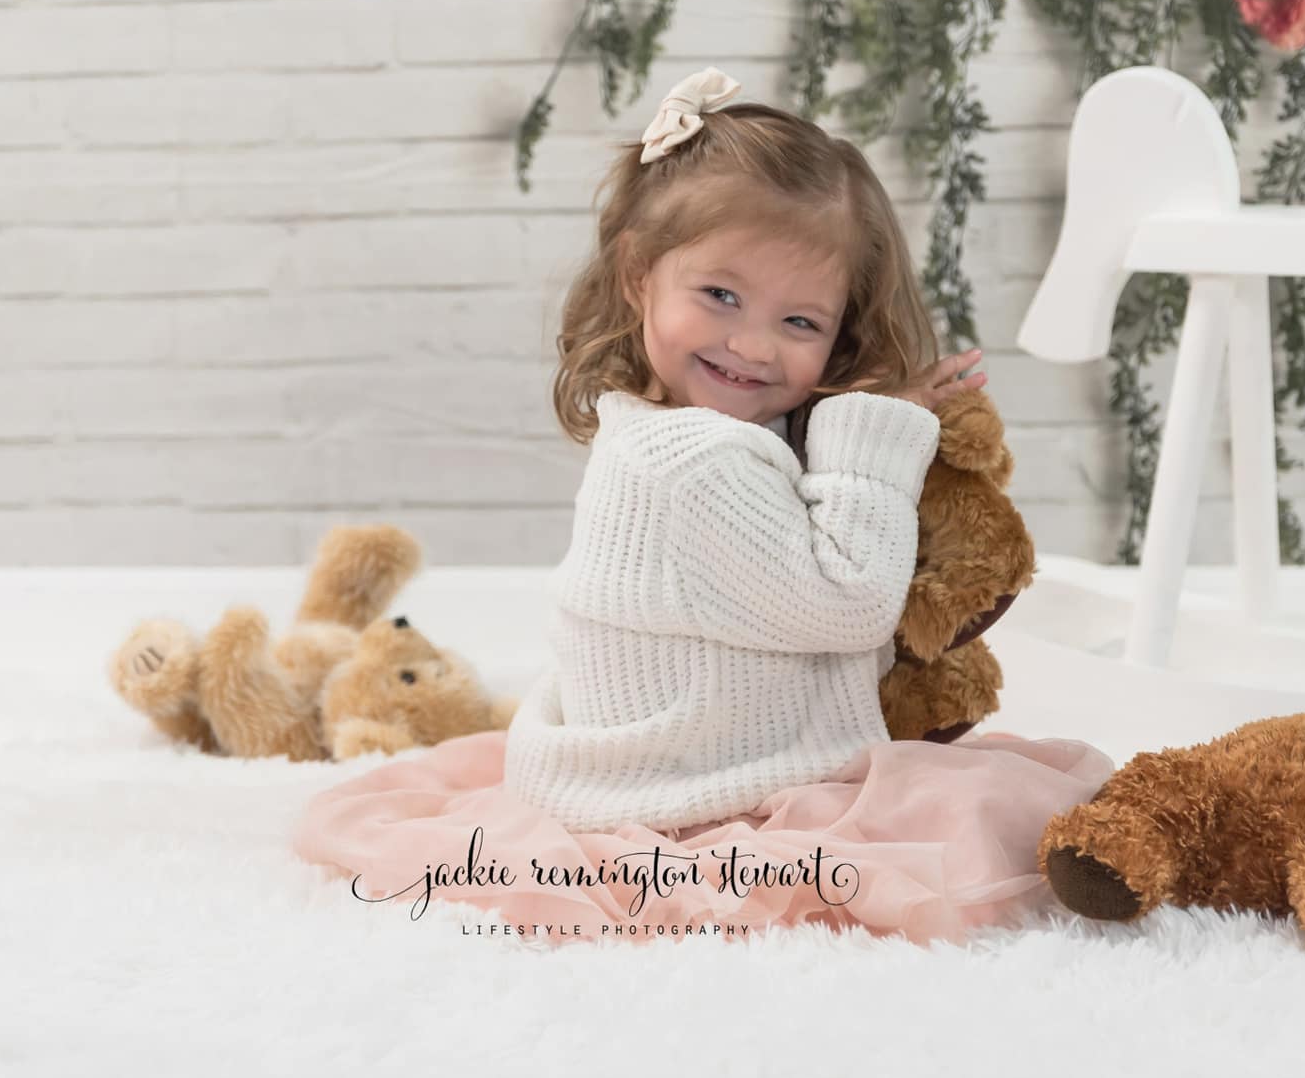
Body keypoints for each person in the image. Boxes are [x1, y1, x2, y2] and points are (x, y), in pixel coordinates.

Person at [292, 66, 1116, 947]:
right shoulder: (691, 461)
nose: (754, 345)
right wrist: (876, 433)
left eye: (801, 323)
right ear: (641, 274)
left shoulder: (668, 430)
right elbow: (850, 602)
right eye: (720, 296)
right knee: (1004, 814)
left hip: (700, 754)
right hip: (683, 799)